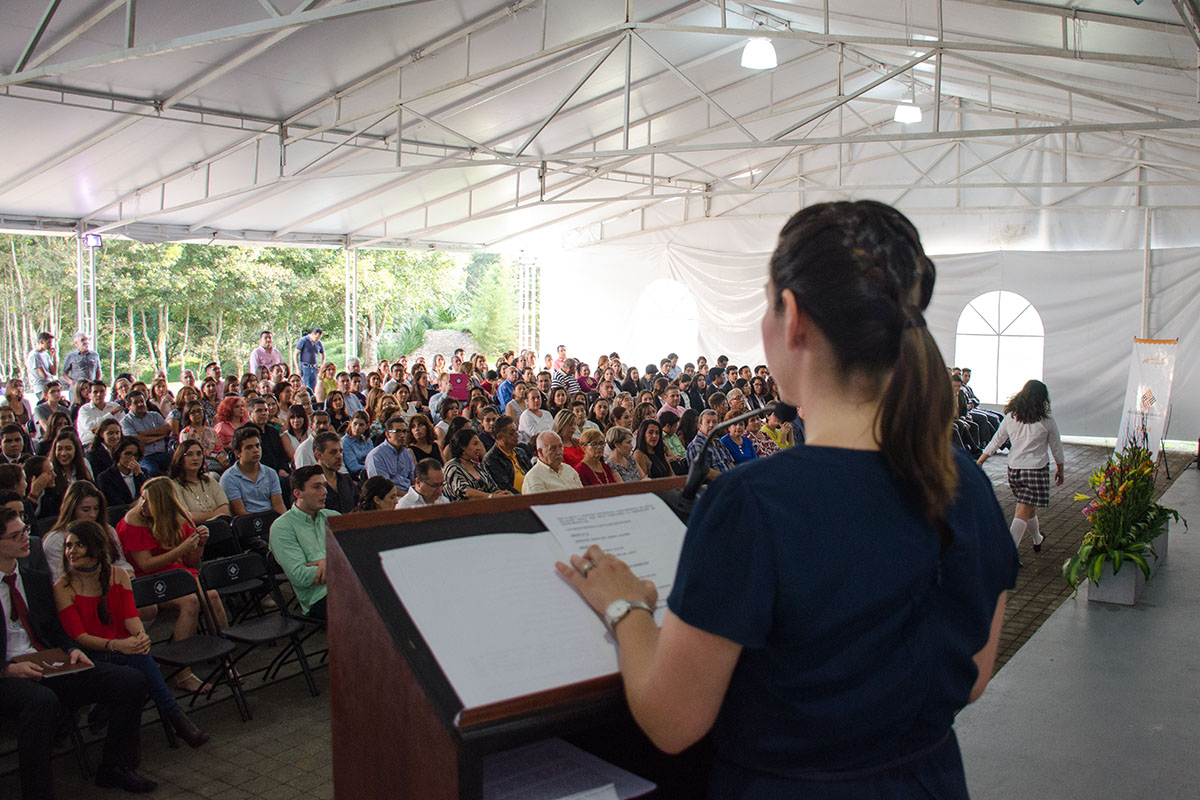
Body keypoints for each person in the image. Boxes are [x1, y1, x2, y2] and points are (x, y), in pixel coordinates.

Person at [553, 200, 1015, 799]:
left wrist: (626, 609)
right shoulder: (963, 484)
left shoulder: (755, 504)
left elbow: (671, 722)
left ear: (792, 316)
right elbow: (973, 676)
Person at [0, 507, 159, 797]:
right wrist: (6, 668)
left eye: (25, 530)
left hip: (46, 661)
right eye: (16, 535)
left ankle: (115, 767)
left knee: (130, 681)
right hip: (7, 672)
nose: (27, 538)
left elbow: (53, 629)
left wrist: (73, 649)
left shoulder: (33, 579)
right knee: (42, 701)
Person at [54, 519, 210, 748]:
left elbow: (130, 616)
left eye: (78, 545)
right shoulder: (63, 587)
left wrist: (140, 636)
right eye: (68, 546)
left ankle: (163, 717)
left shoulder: (118, 576)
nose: (71, 552)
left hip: (123, 645)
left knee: (139, 654)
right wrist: (118, 645)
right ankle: (176, 717)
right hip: (91, 652)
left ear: (95, 546)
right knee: (140, 660)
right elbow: (79, 636)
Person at [117, 477, 229, 693]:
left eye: (148, 502)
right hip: (149, 580)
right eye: (142, 499)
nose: (143, 506)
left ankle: (225, 659)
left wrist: (200, 544)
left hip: (177, 572)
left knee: (212, 596)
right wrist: (181, 549)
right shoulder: (134, 520)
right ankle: (183, 673)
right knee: (190, 601)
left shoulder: (179, 517)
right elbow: (145, 565)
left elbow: (191, 561)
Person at [978, 379, 1065, 554]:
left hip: (1014, 470)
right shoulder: (1047, 420)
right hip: (1036, 470)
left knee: (1028, 508)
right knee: (1022, 510)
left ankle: (1037, 538)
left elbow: (997, 440)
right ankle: (1009, 554)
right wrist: (1060, 469)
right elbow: (1056, 445)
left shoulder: (1012, 417)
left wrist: (981, 461)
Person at [269, 465, 338, 620]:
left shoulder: (332, 517)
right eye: (316, 487)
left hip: (349, 586)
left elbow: (357, 556)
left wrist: (328, 564)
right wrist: (339, 566)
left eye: (324, 486)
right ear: (297, 493)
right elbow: (300, 575)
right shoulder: (282, 527)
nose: (324, 492)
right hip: (319, 597)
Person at [42, 480, 134, 584]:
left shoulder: (108, 531)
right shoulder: (56, 540)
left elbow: (119, 561)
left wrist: (127, 572)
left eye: (96, 509)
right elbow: (60, 579)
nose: (93, 515)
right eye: (86, 510)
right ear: (72, 510)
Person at [219, 426, 286, 516]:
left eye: (257, 446)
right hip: (248, 523)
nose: (255, 450)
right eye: (249, 447)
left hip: (272, 520)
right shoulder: (229, 478)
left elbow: (279, 506)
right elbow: (239, 512)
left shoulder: (270, 473)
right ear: (237, 453)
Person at [442, 429, 508, 501]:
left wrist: (504, 494)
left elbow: (493, 489)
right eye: (475, 444)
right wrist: (491, 496)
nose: (479, 448)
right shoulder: (452, 467)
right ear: (463, 446)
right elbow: (465, 492)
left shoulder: (479, 466)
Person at [120, 392, 172, 476]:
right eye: (136, 402)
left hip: (163, 453)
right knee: (152, 472)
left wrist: (144, 433)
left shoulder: (155, 415)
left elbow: (167, 429)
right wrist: (159, 437)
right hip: (145, 457)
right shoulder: (125, 422)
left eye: (142, 401)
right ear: (128, 406)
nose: (140, 404)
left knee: (181, 465)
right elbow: (138, 441)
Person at [482, 415, 531, 494]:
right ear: (500, 437)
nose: (517, 435)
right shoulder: (491, 459)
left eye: (516, 431)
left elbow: (531, 474)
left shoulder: (520, 452)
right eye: (512, 433)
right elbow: (504, 487)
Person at [686, 409, 735, 483]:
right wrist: (728, 479)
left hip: (729, 482)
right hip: (714, 486)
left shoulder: (719, 442)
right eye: (707, 422)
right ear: (699, 426)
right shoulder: (696, 445)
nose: (711, 425)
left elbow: (730, 463)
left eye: (714, 422)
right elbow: (704, 472)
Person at [96, 437, 146, 509]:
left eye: (135, 455)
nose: (132, 458)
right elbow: (114, 502)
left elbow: (148, 494)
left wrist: (139, 475)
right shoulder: (105, 477)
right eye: (127, 454)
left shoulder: (142, 473)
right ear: (118, 453)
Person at [312, 432, 355, 513]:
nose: (339, 456)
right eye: (333, 452)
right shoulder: (309, 485)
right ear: (319, 455)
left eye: (341, 451)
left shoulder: (346, 480)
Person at [75, 380, 123, 447]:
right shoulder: (84, 410)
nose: (99, 394)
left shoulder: (114, 406)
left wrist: (98, 429)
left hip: (114, 442)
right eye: (95, 392)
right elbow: (90, 427)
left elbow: (122, 426)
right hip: (90, 444)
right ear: (89, 395)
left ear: (105, 393)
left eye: (102, 391)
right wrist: (111, 413)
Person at [25, 331, 58, 398]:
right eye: (48, 342)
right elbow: (43, 375)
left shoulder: (45, 354)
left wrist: (54, 357)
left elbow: (54, 372)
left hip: (49, 385)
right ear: (41, 342)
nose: (50, 345)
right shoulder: (35, 355)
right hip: (41, 388)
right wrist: (50, 377)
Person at [341, 411, 372, 480]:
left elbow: (372, 458)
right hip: (356, 476)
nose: (357, 427)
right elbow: (353, 466)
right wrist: (371, 467)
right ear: (351, 423)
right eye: (355, 424)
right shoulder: (345, 442)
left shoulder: (367, 440)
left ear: (366, 426)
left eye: (361, 425)